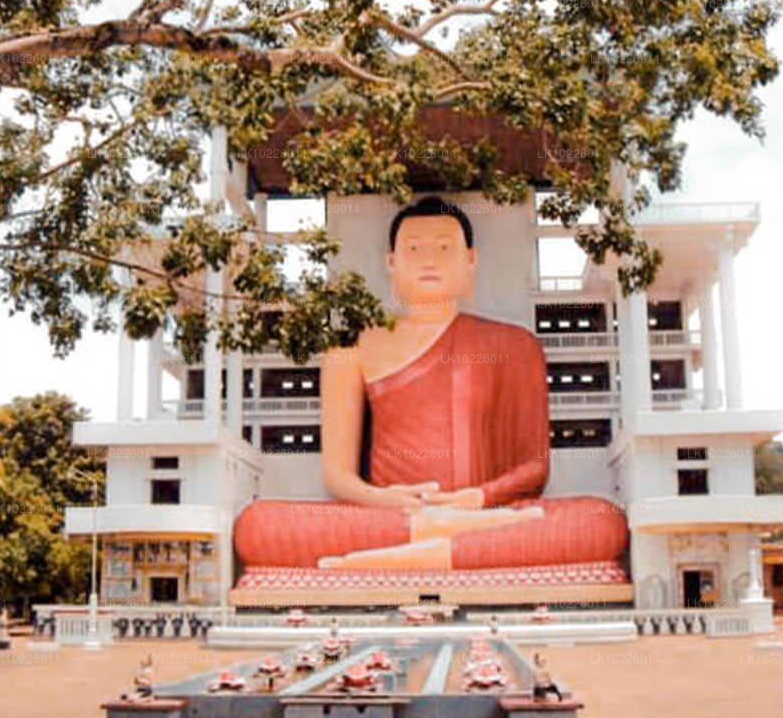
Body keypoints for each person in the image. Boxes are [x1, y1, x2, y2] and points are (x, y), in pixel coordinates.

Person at [234, 196, 627, 570]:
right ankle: (448, 543)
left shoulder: (514, 345)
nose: (429, 260)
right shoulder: (353, 347)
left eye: (443, 248)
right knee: (258, 525)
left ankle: (409, 549)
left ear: (470, 260)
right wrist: (384, 501)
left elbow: (535, 468)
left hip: (486, 513)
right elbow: (338, 477)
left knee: (600, 521)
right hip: (392, 516)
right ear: (391, 262)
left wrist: (479, 498)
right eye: (414, 249)